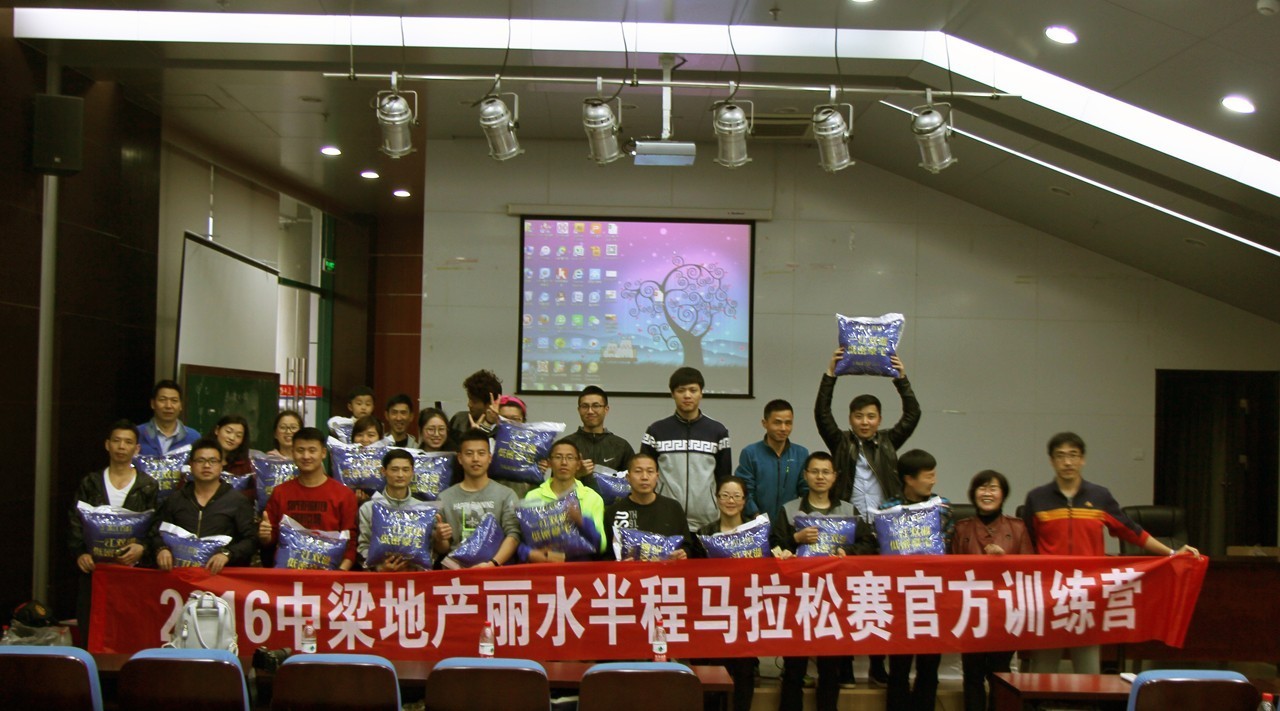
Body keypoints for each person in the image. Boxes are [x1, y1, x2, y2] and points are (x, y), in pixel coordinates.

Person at [1022, 432, 1200, 674]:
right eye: (1060, 456)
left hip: (1088, 591)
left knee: (1088, 670)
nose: (1067, 462)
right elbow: (1026, 543)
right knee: (1042, 669)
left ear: (1083, 459)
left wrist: (1172, 552)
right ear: (1052, 461)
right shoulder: (1037, 498)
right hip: (1050, 592)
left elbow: (1132, 532)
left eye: (1073, 455)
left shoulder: (1099, 496)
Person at [815, 351, 919, 687]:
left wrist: (901, 379)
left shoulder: (889, 441)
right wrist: (830, 375)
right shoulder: (840, 442)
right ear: (850, 419)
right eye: (859, 416)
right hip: (849, 529)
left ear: (879, 419)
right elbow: (821, 413)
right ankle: (844, 666)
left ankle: (877, 665)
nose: (864, 422)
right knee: (845, 598)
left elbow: (913, 414)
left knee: (880, 599)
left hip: (885, 530)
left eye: (871, 416)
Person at [771, 453, 877, 710]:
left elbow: (869, 543)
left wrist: (847, 552)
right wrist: (795, 539)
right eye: (815, 471)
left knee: (831, 669)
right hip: (798, 597)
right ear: (805, 475)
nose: (820, 477)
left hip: (835, 598)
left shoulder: (848, 511)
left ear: (834, 477)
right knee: (794, 668)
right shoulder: (789, 509)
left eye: (826, 472)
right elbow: (772, 548)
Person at [69, 420, 159, 645]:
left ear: (136, 448)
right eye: (116, 441)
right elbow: (75, 520)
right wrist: (80, 552)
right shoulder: (91, 482)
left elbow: (157, 525)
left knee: (129, 633)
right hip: (95, 572)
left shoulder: (148, 485)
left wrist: (143, 548)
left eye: (128, 442)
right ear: (107, 444)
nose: (121, 447)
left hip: (132, 573)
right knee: (92, 630)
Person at [952, 470, 1033, 711]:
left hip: (1005, 611)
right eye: (982, 488)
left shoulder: (1017, 527)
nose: (987, 493)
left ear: (1003, 494)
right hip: (972, 609)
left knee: (1000, 672)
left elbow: (1030, 569)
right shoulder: (961, 528)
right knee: (972, 673)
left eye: (993, 488)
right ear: (973, 494)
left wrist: (1005, 560)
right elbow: (951, 570)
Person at [880, 449, 952, 711]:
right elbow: (881, 547)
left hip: (932, 595)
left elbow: (947, 544)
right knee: (898, 666)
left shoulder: (941, 507)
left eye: (934, 475)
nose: (933, 481)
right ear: (909, 479)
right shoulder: (888, 509)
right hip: (899, 596)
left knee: (929, 666)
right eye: (928, 476)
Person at [689, 476, 757, 711]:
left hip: (746, 613)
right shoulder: (704, 534)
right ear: (717, 499)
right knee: (713, 672)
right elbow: (693, 577)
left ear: (744, 501)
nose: (731, 501)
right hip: (713, 613)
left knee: (744, 672)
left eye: (737, 496)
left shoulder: (756, 532)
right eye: (725, 495)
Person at [640, 367, 732, 531]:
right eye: (681, 390)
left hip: (707, 521)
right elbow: (645, 475)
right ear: (673, 394)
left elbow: (724, 478)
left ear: (701, 393)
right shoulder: (656, 431)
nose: (687, 395)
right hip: (665, 518)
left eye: (693, 390)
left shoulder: (718, 431)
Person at [258, 427, 359, 570]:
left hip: (329, 574)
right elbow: (270, 539)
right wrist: (265, 536)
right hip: (287, 574)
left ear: (323, 453)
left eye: (312, 450)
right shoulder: (280, 492)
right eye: (300, 450)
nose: (306, 456)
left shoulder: (344, 494)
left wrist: (340, 573)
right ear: (293, 452)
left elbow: (350, 542)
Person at [152, 437, 256, 573]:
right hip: (180, 576)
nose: (207, 466)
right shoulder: (176, 499)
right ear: (191, 464)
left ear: (221, 465)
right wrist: (161, 549)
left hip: (220, 577)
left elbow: (251, 540)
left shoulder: (237, 501)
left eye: (213, 461)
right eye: (200, 460)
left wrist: (227, 554)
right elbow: (155, 533)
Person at [432, 429, 522, 566]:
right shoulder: (445, 498)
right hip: (457, 571)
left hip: (496, 570)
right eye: (469, 453)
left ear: (490, 457)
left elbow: (514, 536)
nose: (475, 459)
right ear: (460, 458)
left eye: (481, 453)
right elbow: (443, 548)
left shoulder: (506, 494)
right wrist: (439, 538)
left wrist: (492, 564)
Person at [520, 440, 606, 562]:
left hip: (579, 567)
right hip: (543, 565)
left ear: (578, 464)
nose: (564, 462)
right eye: (558, 457)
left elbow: (601, 545)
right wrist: (529, 553)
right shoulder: (533, 496)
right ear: (549, 463)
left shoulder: (592, 497)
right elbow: (522, 540)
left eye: (570, 458)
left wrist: (581, 521)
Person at [604, 452, 690, 560]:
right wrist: (620, 564)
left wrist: (683, 554)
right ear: (628, 477)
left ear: (657, 476)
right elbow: (605, 554)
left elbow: (688, 546)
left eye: (650, 471)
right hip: (629, 571)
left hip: (666, 569)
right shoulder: (614, 511)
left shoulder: (673, 508)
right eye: (638, 471)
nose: (644, 477)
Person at [736, 399, 809, 520]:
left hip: (789, 523)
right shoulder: (750, 453)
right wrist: (756, 516)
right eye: (777, 423)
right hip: (755, 521)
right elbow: (744, 491)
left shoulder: (801, 454)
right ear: (764, 423)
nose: (783, 428)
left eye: (788, 423)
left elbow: (806, 491)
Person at [357, 449, 423, 571]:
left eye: (405, 470)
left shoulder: (422, 509)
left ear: (412, 472)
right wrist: (379, 567)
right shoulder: (368, 508)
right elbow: (363, 547)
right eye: (394, 469)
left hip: (414, 575)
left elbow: (428, 548)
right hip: (379, 576)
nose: (400, 475)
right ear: (384, 471)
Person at [561, 385, 636, 492]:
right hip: (574, 502)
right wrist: (576, 474)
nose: (590, 411)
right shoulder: (566, 445)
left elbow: (634, 484)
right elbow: (554, 486)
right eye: (585, 406)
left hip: (611, 503)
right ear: (579, 410)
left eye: (596, 406)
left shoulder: (621, 446)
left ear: (606, 409)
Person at [136, 379, 200, 456]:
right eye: (162, 400)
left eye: (174, 400)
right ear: (152, 404)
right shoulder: (137, 433)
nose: (168, 406)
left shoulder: (193, 437)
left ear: (181, 405)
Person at [448, 370, 503, 441]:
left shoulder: (501, 429)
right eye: (469, 399)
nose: (469, 405)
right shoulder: (459, 420)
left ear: (490, 404)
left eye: (474, 401)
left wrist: (486, 425)